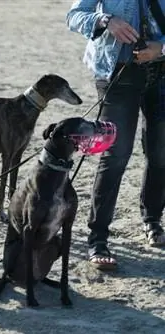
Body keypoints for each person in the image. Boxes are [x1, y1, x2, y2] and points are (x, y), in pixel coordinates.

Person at [66, 0, 165, 270]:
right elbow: (74, 16)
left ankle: (152, 219)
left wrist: (162, 48)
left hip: (162, 73)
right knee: (116, 154)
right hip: (118, 73)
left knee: (161, 152)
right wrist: (106, 21)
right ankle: (98, 239)